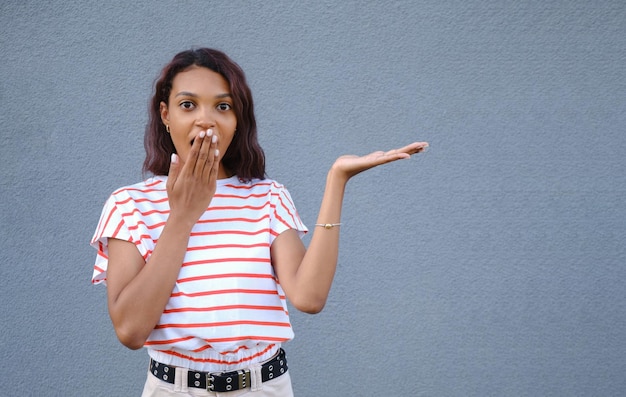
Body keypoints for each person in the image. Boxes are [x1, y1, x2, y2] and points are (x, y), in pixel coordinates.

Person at [90, 47, 428, 396]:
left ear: (238, 119)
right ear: (165, 114)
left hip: (263, 386)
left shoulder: (267, 197)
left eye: (223, 106)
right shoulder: (129, 204)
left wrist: (337, 180)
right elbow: (130, 330)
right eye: (188, 104)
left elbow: (309, 297)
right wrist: (182, 217)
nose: (206, 119)